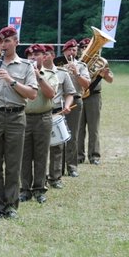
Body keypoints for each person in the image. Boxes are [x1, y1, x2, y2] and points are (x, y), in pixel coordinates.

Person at [0, 26, 37, 219]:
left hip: (15, 117)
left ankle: (11, 205)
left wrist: (11, 80)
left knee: (13, 163)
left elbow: (32, 94)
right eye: (1, 42)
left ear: (16, 42)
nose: (4, 45)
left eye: (8, 41)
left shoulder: (26, 66)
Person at [19, 44, 57, 204]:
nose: (33, 58)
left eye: (37, 55)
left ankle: (40, 189)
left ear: (44, 57)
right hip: (24, 117)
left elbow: (50, 94)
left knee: (41, 155)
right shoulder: (21, 74)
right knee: (24, 156)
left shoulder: (50, 74)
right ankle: (25, 189)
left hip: (43, 118)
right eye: (30, 55)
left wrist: (38, 76)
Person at [42, 44, 75, 189]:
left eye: (46, 53)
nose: (43, 56)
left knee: (57, 147)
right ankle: (39, 179)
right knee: (39, 148)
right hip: (39, 113)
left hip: (56, 112)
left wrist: (67, 105)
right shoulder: (33, 72)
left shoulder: (62, 73)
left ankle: (55, 178)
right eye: (41, 54)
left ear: (53, 55)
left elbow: (69, 93)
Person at [77, 37, 114, 165]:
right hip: (79, 97)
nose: (87, 49)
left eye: (90, 47)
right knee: (79, 128)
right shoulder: (77, 63)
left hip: (94, 97)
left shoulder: (100, 62)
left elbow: (110, 80)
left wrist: (106, 74)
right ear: (80, 49)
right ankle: (78, 156)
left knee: (94, 128)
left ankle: (94, 156)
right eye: (83, 47)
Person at [60, 39, 90, 177]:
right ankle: (57, 168)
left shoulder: (82, 66)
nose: (72, 52)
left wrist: (76, 73)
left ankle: (72, 167)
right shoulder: (57, 65)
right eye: (69, 50)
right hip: (58, 102)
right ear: (64, 51)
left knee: (72, 135)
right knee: (59, 136)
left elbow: (86, 85)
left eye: (74, 50)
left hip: (75, 101)